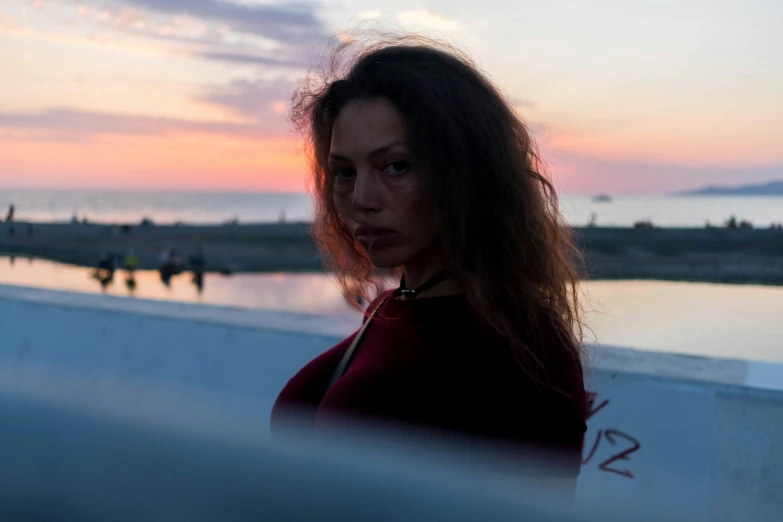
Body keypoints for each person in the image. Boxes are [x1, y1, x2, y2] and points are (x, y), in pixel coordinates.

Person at [270, 36, 587, 493]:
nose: (361, 200)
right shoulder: (393, 307)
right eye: (345, 172)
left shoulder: (525, 347)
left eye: (395, 166)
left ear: (466, 174)